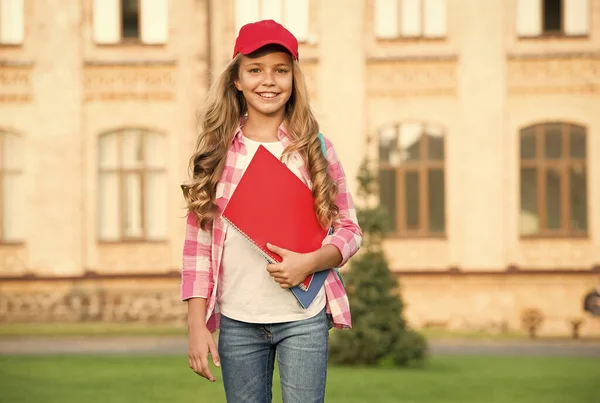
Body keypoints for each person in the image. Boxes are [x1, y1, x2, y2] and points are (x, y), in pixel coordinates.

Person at [180, 19, 362, 403]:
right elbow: (197, 247)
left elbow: (349, 229)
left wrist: (309, 262)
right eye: (256, 70)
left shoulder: (315, 149)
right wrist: (197, 324)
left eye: (281, 70)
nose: (269, 80)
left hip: (303, 318)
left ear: (293, 80)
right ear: (237, 80)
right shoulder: (217, 153)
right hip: (237, 319)